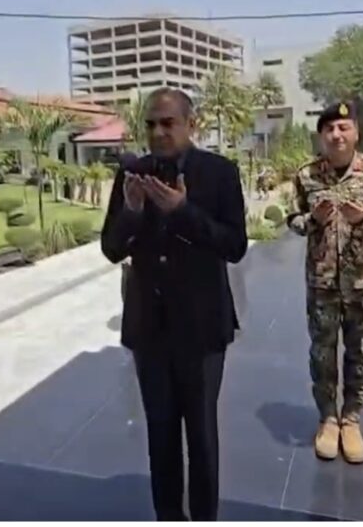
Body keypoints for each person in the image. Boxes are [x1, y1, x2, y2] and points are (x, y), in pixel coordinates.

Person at [100, 88, 247, 521]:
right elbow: (111, 247)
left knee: (200, 437)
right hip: (149, 328)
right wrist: (130, 211)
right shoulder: (133, 173)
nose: (158, 132)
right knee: (160, 435)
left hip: (202, 329)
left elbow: (235, 245)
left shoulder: (220, 173)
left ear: (190, 124)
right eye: (150, 124)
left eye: (168, 123)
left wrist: (184, 211)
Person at [287, 102, 363, 464]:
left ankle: (351, 419)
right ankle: (328, 419)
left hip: (362, 283)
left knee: (360, 354)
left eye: (343, 127)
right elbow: (292, 220)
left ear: (356, 132)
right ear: (321, 136)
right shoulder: (306, 176)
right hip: (321, 283)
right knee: (322, 354)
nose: (336, 135)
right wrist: (313, 220)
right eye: (329, 130)